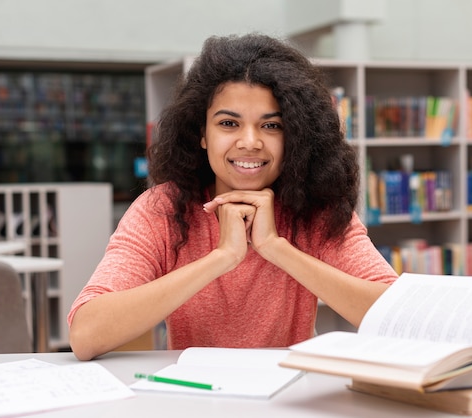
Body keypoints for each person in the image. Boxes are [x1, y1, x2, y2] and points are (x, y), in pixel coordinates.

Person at [68, 33, 398, 361]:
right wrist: (222, 257)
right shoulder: (164, 209)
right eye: (229, 123)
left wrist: (275, 248)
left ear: (296, 136)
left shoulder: (317, 208)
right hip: (193, 396)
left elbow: (398, 317)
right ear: (202, 134)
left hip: (290, 397)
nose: (250, 141)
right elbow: (85, 335)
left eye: (271, 126)